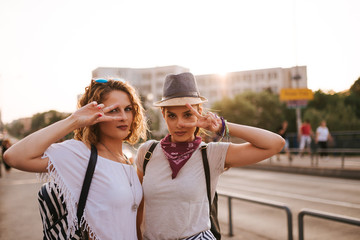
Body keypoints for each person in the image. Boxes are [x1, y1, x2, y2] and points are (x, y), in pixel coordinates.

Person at [135, 72, 285, 240]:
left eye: (187, 114)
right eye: (172, 116)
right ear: (163, 115)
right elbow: (138, 204)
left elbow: (275, 144)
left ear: (199, 112)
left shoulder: (212, 153)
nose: (180, 124)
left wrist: (222, 125)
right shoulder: (147, 152)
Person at [4, 78, 148, 240]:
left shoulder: (126, 160)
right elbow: (14, 156)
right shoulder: (80, 154)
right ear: (96, 115)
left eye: (128, 109)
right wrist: (74, 120)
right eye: (113, 110)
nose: (123, 117)